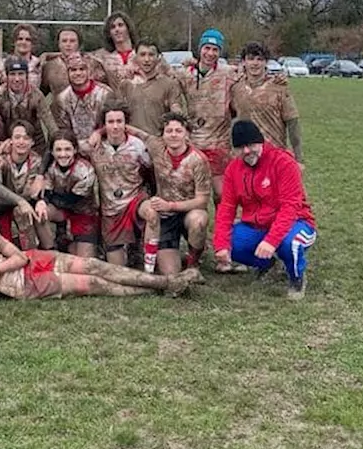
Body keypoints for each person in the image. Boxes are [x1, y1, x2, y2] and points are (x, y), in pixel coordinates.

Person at [0, 195, 201, 302]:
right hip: (20, 284)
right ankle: (161, 288)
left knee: (94, 265)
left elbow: (17, 256)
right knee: (92, 283)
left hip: (29, 261)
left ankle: (167, 282)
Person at [213, 119, 317, 298]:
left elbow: (290, 207)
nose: (247, 151)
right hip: (258, 225)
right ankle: (267, 265)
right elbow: (227, 207)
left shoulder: (283, 162)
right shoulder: (233, 170)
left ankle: (296, 278)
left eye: (251, 145)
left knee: (288, 244)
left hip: (296, 221)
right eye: (241, 147)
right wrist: (221, 244)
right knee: (230, 244)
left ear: (261, 141)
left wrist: (271, 240)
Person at [125, 113, 212, 275]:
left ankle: (194, 262)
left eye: (178, 131)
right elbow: (131, 130)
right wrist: (99, 132)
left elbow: (202, 200)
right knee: (170, 273)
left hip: (188, 211)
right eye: (169, 131)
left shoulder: (198, 160)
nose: (173, 135)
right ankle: (171, 255)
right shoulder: (156, 147)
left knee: (199, 220)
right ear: (163, 134)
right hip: (165, 216)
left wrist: (172, 205)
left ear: (187, 134)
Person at [86, 102, 152, 267]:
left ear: (125, 123)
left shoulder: (138, 146)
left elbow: (150, 172)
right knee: (118, 268)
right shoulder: (93, 146)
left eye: (119, 121)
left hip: (134, 201)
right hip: (110, 209)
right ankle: (119, 248)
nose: (115, 126)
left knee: (152, 211)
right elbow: (63, 148)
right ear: (104, 124)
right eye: (110, 122)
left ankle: (148, 261)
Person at [178, 28, 237, 199]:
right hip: (193, 143)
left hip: (219, 144)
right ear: (200, 49)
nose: (210, 53)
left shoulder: (229, 73)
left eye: (215, 49)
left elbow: (254, 73)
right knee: (191, 192)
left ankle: (222, 225)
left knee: (221, 194)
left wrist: (277, 79)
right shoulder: (185, 74)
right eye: (207, 48)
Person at [231, 42, 302, 160]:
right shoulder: (236, 89)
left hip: (274, 155)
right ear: (243, 62)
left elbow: (293, 123)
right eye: (251, 59)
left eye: (260, 59)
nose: (255, 63)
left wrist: (298, 158)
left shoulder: (279, 88)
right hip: (247, 157)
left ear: (266, 62)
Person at [33, 131, 99, 256]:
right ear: (52, 152)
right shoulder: (51, 167)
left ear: (75, 150)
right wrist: (41, 202)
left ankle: (73, 243)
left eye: (67, 149)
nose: (63, 154)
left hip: (84, 214)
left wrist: (47, 198)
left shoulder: (85, 171)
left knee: (84, 262)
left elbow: (71, 200)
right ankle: (50, 252)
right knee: (39, 213)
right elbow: (47, 191)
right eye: (58, 150)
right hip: (62, 211)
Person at [0, 119, 44, 249]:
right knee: (3, 248)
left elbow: (33, 193)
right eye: (17, 137)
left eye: (26, 138)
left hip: (22, 207)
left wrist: (24, 202)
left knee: (26, 215)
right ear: (10, 140)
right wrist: (20, 200)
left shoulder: (37, 161)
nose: (21, 142)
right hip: (1, 208)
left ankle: (34, 251)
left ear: (32, 142)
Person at [0, 56, 48, 155]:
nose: (17, 79)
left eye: (21, 74)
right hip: (6, 137)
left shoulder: (37, 95)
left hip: (32, 139)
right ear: (6, 76)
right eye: (12, 74)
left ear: (27, 76)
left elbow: (49, 123)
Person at [50, 53, 115, 154]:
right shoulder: (61, 99)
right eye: (73, 70)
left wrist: (99, 132)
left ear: (89, 71)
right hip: (74, 150)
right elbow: (62, 131)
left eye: (82, 69)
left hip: (104, 145)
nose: (78, 73)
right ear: (67, 73)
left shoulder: (105, 94)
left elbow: (116, 122)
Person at [117, 41, 185, 134]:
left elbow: (176, 109)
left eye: (151, 55)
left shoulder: (169, 84)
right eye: (142, 54)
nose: (147, 59)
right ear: (136, 57)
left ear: (158, 58)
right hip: (133, 142)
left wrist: (177, 111)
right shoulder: (126, 84)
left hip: (158, 141)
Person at [89, 11, 141, 87]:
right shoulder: (101, 58)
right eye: (112, 27)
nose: (117, 29)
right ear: (109, 33)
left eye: (120, 25)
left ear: (128, 28)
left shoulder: (143, 54)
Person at [40, 27, 82, 96]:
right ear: (58, 44)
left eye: (72, 41)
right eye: (64, 41)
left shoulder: (89, 64)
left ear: (78, 43)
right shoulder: (49, 67)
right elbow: (41, 94)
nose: (68, 44)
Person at [8, 23, 43, 91]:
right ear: (14, 41)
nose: (23, 42)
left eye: (28, 39)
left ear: (32, 43)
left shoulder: (39, 64)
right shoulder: (4, 63)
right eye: (20, 39)